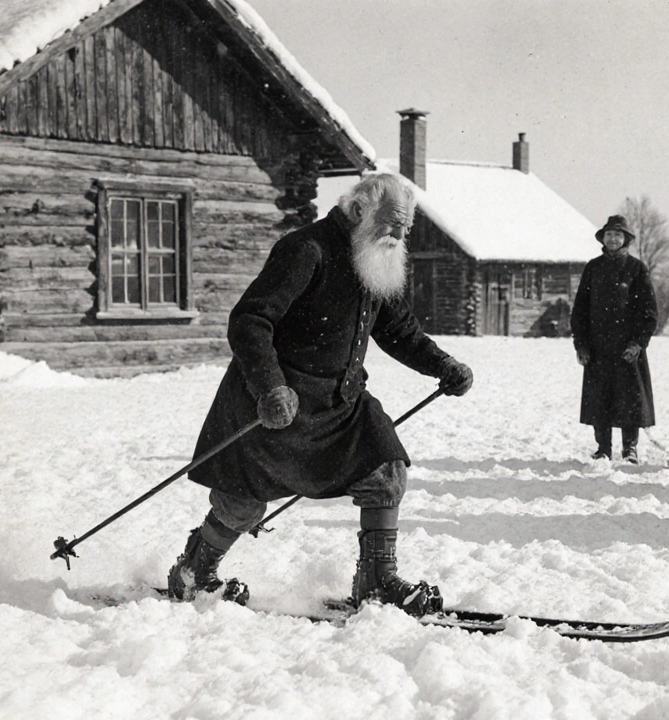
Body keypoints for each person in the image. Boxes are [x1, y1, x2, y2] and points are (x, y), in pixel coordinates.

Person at [166, 173, 474, 615]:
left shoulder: (374, 256)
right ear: (358, 211)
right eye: (393, 225)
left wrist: (442, 365)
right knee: (242, 506)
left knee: (386, 470)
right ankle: (194, 571)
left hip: (339, 405)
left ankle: (375, 581)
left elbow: (398, 330)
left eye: (406, 228)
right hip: (275, 404)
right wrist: (270, 387)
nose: (400, 237)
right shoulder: (305, 250)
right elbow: (250, 321)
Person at [571, 214, 658, 464]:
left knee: (630, 399)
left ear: (626, 239)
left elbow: (650, 313)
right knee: (600, 399)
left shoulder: (636, 268)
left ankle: (630, 447)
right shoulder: (593, 268)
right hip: (598, 348)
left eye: (617, 235)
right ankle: (603, 448)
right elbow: (580, 311)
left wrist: (638, 344)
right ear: (603, 238)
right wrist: (581, 345)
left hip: (627, 348)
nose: (612, 239)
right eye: (609, 234)